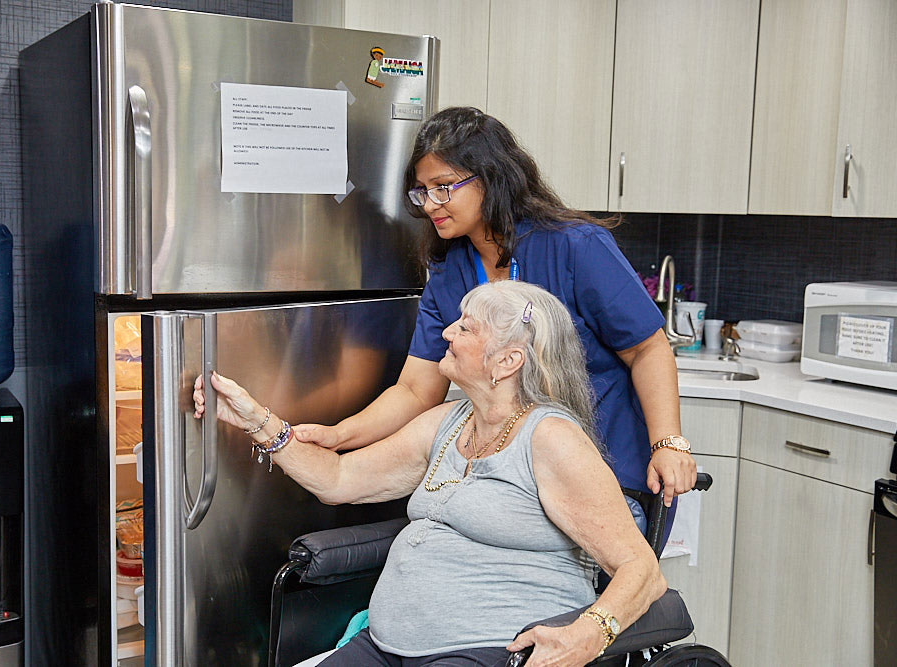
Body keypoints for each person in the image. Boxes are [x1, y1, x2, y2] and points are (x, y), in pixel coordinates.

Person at [194, 281, 666, 666]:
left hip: (486, 649)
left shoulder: (551, 439)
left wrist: (588, 635)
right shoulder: (447, 421)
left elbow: (641, 570)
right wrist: (256, 420)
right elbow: (337, 479)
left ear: (507, 361)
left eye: (466, 328)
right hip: (387, 644)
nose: (447, 334)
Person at [294, 106, 695, 507]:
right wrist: (340, 434)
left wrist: (669, 443)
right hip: (514, 482)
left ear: (491, 178)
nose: (431, 204)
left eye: (444, 186)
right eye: (422, 191)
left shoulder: (575, 247)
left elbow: (647, 348)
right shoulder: (450, 272)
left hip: (608, 474)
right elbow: (416, 390)